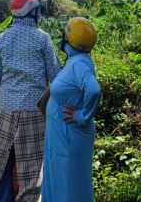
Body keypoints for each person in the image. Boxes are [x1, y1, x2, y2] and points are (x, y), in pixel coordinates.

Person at [0, 0, 61, 202]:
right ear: (33, 11)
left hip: (7, 108)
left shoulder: (3, 38)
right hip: (34, 111)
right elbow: (56, 76)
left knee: (2, 162)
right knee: (32, 167)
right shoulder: (42, 37)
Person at [41, 17, 101, 202]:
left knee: (69, 187)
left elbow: (94, 89)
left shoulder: (79, 63)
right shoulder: (78, 60)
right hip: (63, 136)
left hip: (70, 135)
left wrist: (81, 116)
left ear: (70, 40)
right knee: (61, 182)